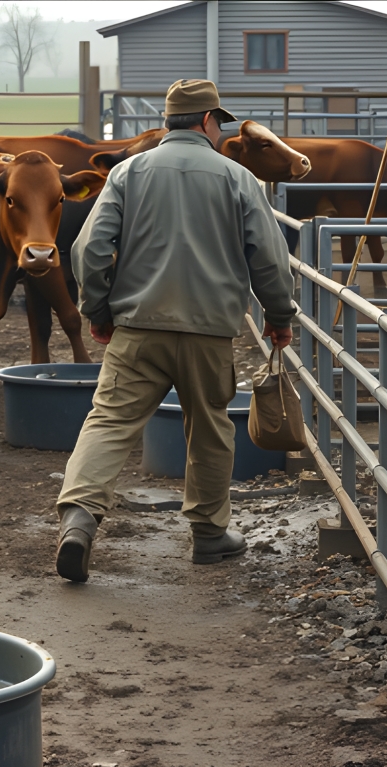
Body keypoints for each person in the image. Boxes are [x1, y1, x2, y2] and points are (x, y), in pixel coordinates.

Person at [54, 79, 295, 583]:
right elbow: (269, 260)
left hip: (138, 328)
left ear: (170, 120)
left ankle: (79, 519)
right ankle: (209, 536)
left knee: (110, 422)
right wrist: (279, 317)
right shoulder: (236, 178)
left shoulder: (127, 173)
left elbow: (88, 250)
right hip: (209, 332)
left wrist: (97, 309)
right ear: (208, 121)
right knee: (208, 428)